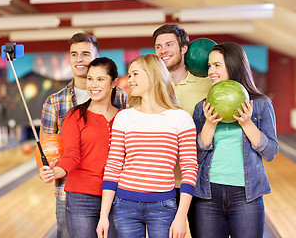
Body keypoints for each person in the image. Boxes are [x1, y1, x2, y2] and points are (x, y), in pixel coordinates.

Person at [96, 54, 198, 238]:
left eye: (135, 74)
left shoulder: (181, 118)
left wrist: (181, 216)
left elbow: (189, 167)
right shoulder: (124, 117)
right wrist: (104, 215)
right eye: (129, 74)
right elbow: (113, 165)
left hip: (163, 206)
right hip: (124, 205)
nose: (130, 80)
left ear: (153, 75)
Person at [39, 33, 127, 238]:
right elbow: (52, 150)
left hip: (118, 193)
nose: (79, 59)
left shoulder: (121, 98)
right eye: (74, 54)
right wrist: (50, 170)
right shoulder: (57, 103)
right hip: (72, 193)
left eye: (86, 54)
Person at [192, 42, 279, 238]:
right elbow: (195, 156)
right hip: (208, 195)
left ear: (233, 65)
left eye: (217, 65)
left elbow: (271, 152)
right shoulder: (202, 108)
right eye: (209, 66)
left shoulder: (260, 105)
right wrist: (209, 124)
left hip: (246, 196)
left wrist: (247, 123)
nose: (211, 71)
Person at [152, 23, 212, 236]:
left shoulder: (207, 85)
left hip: (198, 181)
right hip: (162, 182)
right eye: (158, 46)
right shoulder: (152, 86)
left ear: (184, 48)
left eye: (169, 44)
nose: (163, 51)